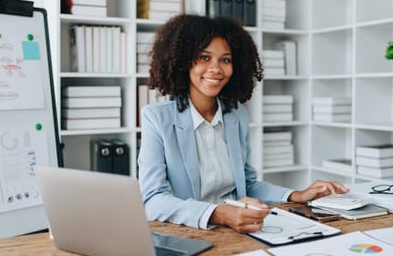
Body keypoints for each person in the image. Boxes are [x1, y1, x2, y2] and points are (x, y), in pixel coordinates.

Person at [138, 14, 348, 233]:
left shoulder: (235, 114)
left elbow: (246, 185)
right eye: (204, 57)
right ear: (183, 61)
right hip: (192, 230)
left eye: (225, 60)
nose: (216, 69)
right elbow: (152, 199)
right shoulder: (157, 118)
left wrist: (297, 195)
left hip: (241, 230)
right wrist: (218, 214)